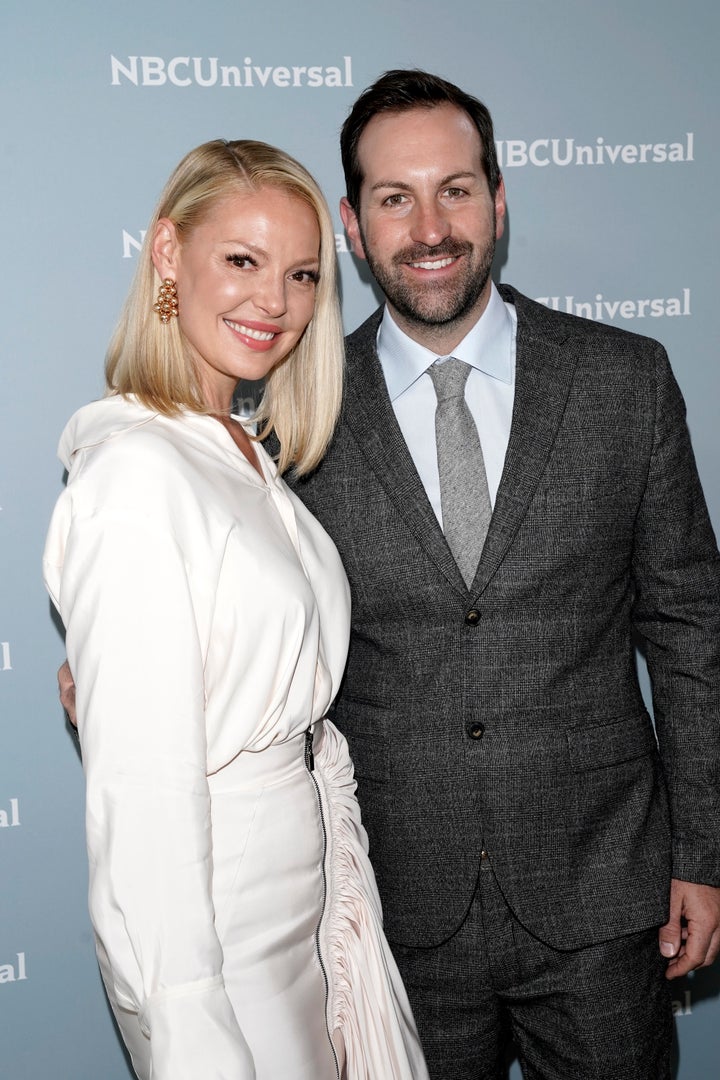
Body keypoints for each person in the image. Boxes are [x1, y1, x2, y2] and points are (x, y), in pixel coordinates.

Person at [282, 71, 720, 1078]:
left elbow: (690, 628)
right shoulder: (298, 420)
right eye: (395, 198)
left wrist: (704, 852)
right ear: (353, 225)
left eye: (456, 190)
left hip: (607, 902)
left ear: (500, 200)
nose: (430, 226)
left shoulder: (625, 383)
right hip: (397, 911)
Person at [44, 138, 428, 1080]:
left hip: (299, 894)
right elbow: (144, 798)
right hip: (211, 927)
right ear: (169, 254)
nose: (276, 303)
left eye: (302, 275)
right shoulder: (138, 473)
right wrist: (188, 1027)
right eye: (242, 262)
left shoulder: (241, 451)